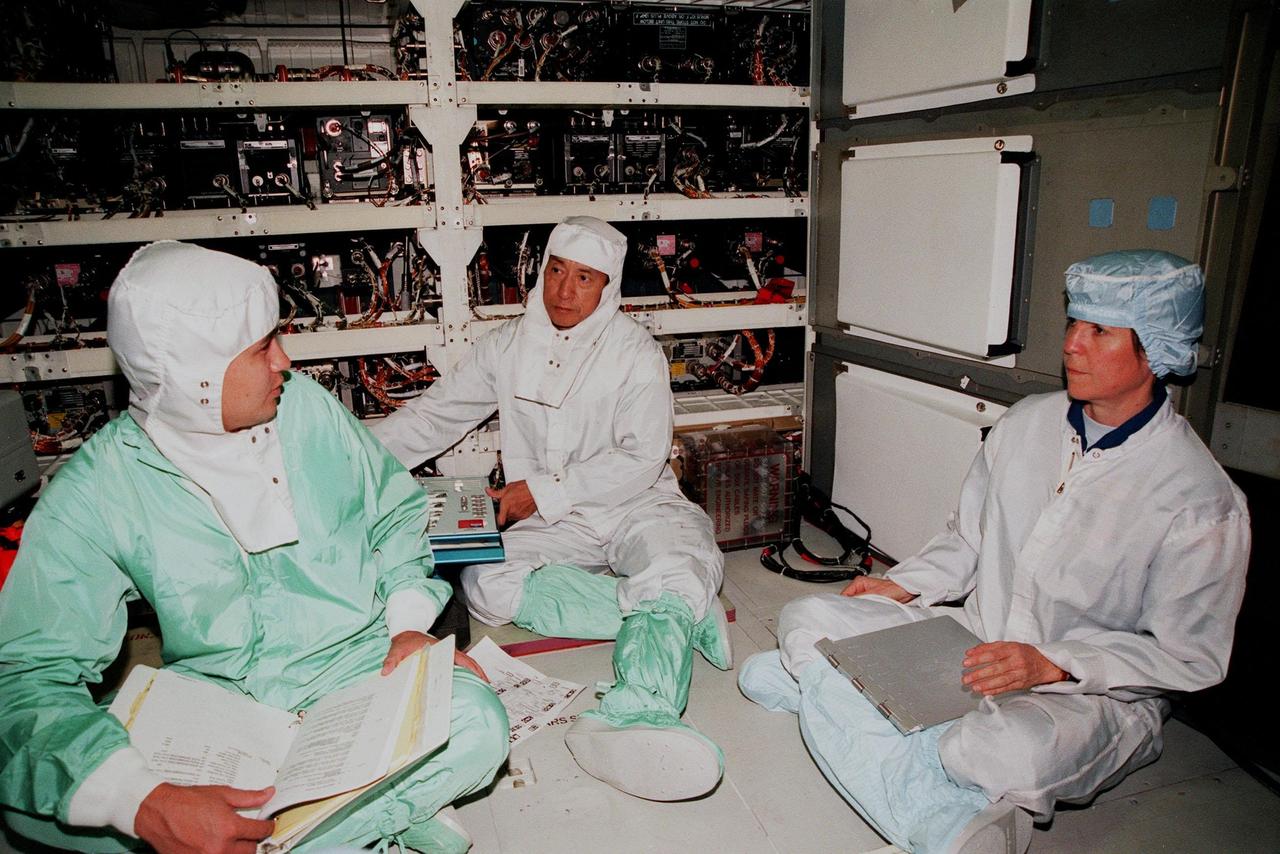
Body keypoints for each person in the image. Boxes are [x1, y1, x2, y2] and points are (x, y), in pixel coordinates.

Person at [0, 242, 508, 853]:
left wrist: (405, 629)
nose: (284, 362)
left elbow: (393, 511)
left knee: (478, 722)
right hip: (220, 700)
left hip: (353, 668)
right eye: (263, 347)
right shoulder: (100, 488)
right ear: (198, 377)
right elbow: (25, 678)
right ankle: (369, 818)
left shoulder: (308, 412)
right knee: (39, 808)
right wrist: (145, 801)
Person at [738, 250, 1251, 854]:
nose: (1072, 346)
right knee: (808, 617)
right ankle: (936, 812)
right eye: (1073, 325)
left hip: (1092, 693)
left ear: (1157, 351)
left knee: (997, 755)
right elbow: (967, 538)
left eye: (1099, 331)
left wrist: (1051, 663)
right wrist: (907, 584)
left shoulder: (1199, 499)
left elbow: (1190, 656)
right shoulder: (1028, 423)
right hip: (975, 638)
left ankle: (840, 708)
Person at [372, 216, 732, 802]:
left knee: (680, 558)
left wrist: (539, 489)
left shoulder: (635, 353)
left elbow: (642, 459)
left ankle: (639, 714)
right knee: (487, 585)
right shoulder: (507, 345)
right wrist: (356, 462)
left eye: (584, 278)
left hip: (635, 505)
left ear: (608, 286)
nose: (565, 292)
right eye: (557, 272)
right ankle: (669, 617)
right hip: (551, 526)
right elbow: (434, 416)